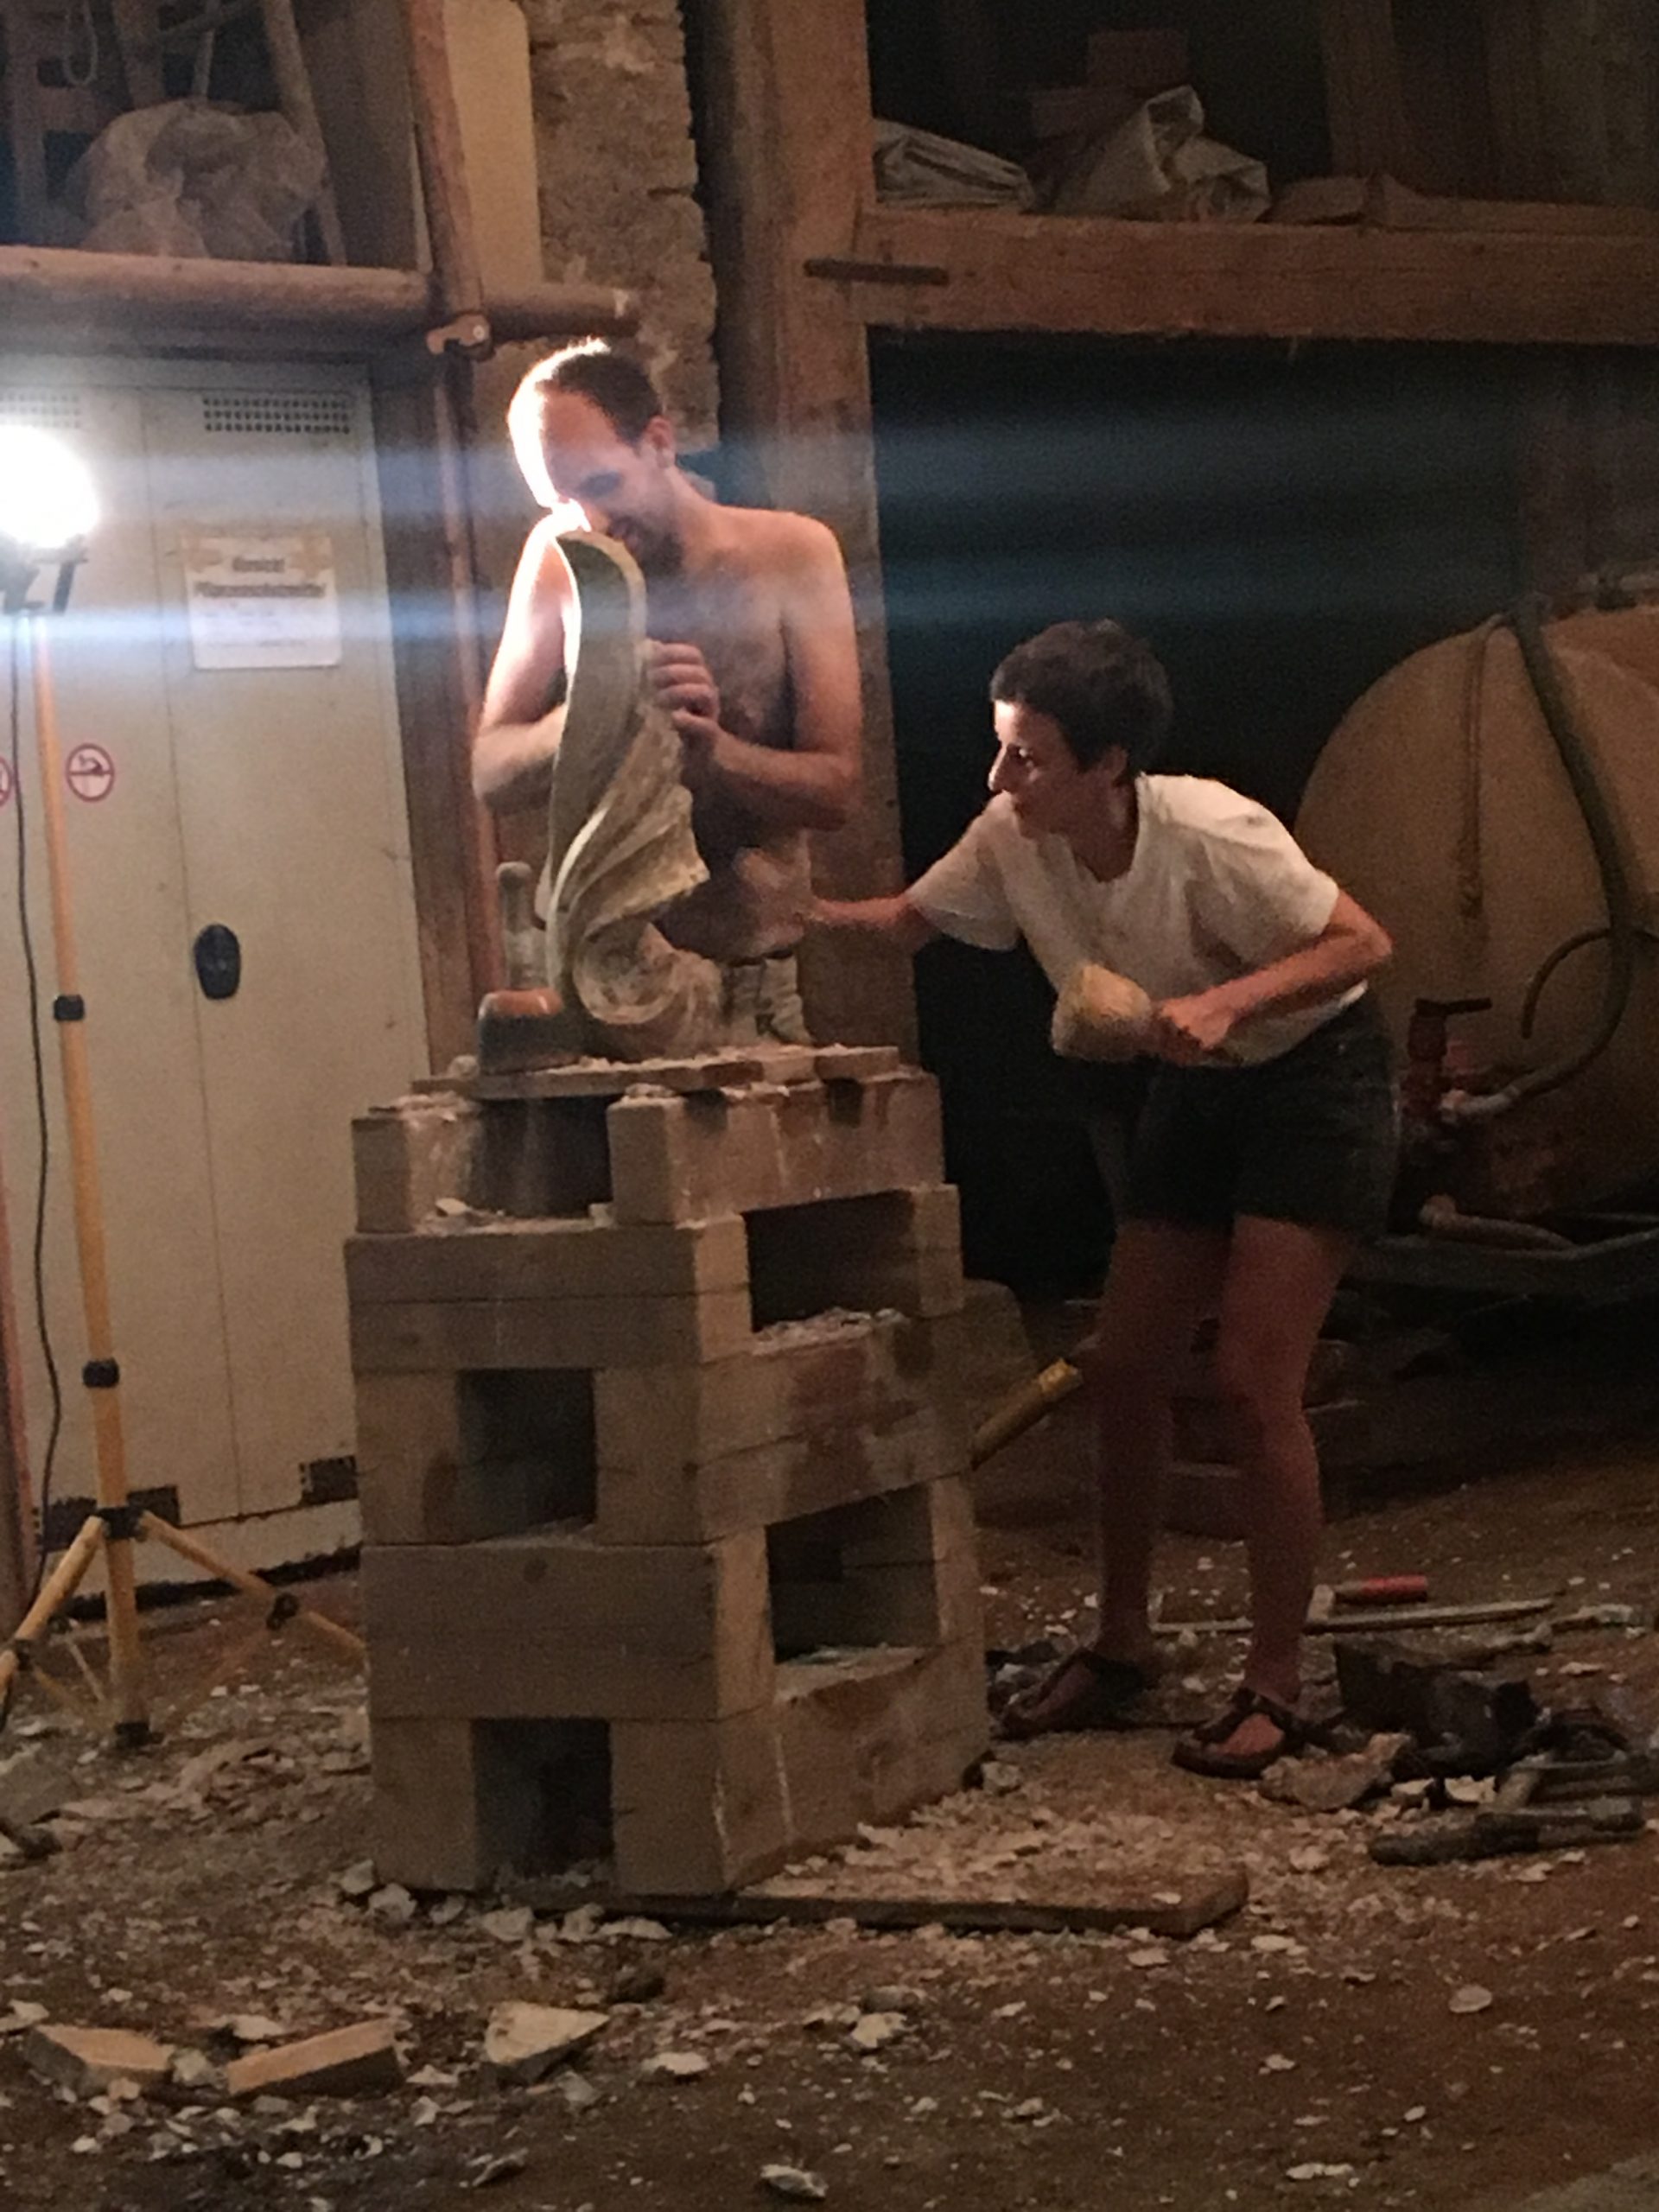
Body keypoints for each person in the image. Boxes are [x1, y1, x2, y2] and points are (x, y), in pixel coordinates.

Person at [815, 619, 1395, 1778]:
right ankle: (1123, 1643)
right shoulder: (1012, 834)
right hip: (1198, 1087)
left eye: (1027, 757)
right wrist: (786, 915)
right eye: (999, 746)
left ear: (1109, 765)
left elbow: (1363, 941)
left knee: (1252, 1384)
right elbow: (907, 923)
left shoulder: (1212, 831)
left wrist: (1230, 1004)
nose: (1000, 777)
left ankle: (1275, 1683)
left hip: (1313, 1080)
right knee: (1123, 1365)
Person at [474, 340, 863, 1041]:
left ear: (658, 443)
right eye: (559, 501)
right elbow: (492, 770)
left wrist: (714, 754)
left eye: (601, 485)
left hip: (747, 978)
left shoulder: (792, 556)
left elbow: (835, 788)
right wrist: (597, 707)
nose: (589, 523)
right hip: (597, 974)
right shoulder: (559, 559)